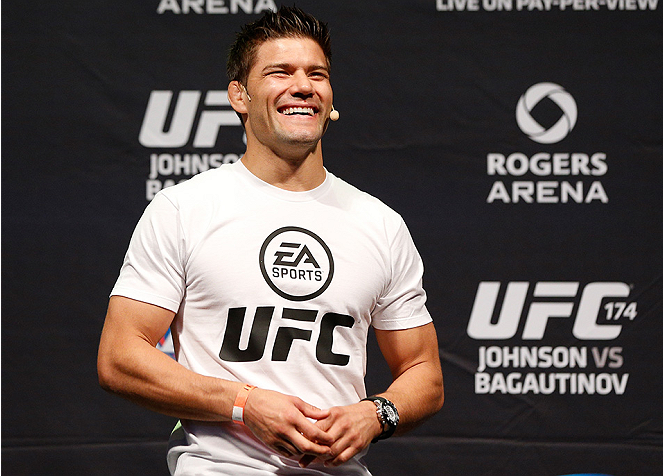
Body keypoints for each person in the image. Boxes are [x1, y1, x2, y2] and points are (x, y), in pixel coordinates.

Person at [97, 6, 443, 475]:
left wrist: (373, 414)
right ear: (239, 96)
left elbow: (423, 372)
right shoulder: (184, 209)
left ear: (330, 98)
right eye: (280, 72)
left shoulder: (379, 224)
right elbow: (120, 357)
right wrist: (246, 403)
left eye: (316, 74)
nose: (303, 86)